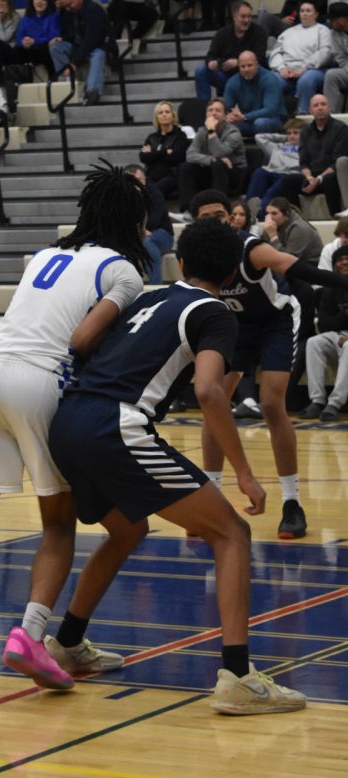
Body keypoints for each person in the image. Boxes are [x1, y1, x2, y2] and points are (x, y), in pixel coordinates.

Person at [48, 217, 306, 715]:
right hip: (116, 427)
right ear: (234, 268)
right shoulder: (214, 311)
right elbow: (209, 390)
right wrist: (245, 473)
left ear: (180, 263)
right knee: (231, 533)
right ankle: (237, 676)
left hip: (68, 422)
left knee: (127, 530)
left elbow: (84, 342)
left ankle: (68, 643)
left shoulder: (147, 298)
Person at [0, 164, 146, 692]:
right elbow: (84, 338)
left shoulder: (46, 254)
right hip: (41, 380)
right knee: (59, 525)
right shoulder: (124, 272)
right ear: (133, 222)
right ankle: (31, 635)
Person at [191, 189, 348, 538]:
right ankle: (213, 498)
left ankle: (292, 503)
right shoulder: (197, 257)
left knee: (271, 403)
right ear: (195, 224)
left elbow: (296, 268)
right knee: (212, 401)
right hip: (233, 327)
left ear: (231, 218)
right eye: (207, 218)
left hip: (275, 321)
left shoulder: (249, 248)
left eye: (221, 215)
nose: (217, 222)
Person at [277, 94, 348, 216]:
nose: (320, 108)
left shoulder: (341, 128)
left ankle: (335, 217)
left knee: (329, 179)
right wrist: (309, 177)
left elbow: (338, 161)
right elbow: (303, 162)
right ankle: (297, 218)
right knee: (288, 181)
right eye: (316, 105)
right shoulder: (305, 132)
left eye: (323, 104)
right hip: (312, 176)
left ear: (329, 107)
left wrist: (319, 179)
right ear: (310, 110)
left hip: (331, 175)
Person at [175, 98, 247, 215]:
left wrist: (211, 131)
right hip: (212, 170)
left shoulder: (233, 133)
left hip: (234, 174)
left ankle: (218, 209)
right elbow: (190, 155)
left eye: (218, 110)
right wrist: (211, 159)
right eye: (210, 110)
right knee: (186, 167)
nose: (213, 113)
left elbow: (220, 153)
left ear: (225, 115)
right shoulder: (202, 131)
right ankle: (187, 211)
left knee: (219, 164)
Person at [302, 246, 348, 420]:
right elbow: (324, 325)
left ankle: (335, 403)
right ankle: (317, 401)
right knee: (314, 342)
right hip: (337, 335)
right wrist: (344, 315)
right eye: (339, 260)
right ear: (334, 266)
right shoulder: (329, 289)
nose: (344, 262)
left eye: (347, 258)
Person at [49, 0, 116, 106]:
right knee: (56, 47)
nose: (68, 8)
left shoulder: (93, 10)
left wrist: (74, 63)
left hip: (99, 46)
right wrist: (62, 39)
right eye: (66, 7)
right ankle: (67, 83)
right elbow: (71, 34)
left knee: (98, 54)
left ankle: (92, 91)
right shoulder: (70, 12)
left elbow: (91, 40)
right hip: (78, 46)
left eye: (69, 5)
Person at [194, 0, 269, 101]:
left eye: (249, 16)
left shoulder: (259, 32)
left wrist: (238, 62)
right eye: (243, 16)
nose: (247, 20)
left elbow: (260, 58)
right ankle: (203, 108)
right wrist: (211, 63)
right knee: (201, 70)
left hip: (250, 77)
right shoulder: (222, 33)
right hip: (226, 76)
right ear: (234, 17)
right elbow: (210, 55)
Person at [269, 0, 332, 113]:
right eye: (302, 11)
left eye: (308, 11)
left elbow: (325, 52)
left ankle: (303, 113)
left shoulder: (323, 30)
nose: (304, 13)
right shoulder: (288, 32)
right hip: (286, 70)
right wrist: (281, 67)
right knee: (272, 80)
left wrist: (303, 68)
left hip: (312, 69)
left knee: (306, 80)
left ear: (316, 14)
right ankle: (275, 114)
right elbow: (276, 52)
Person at [124, 163, 173, 284]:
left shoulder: (154, 194)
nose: (138, 184)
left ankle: (155, 286)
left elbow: (153, 222)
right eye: (133, 181)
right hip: (137, 236)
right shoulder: (120, 197)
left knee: (147, 241)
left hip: (162, 235)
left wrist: (138, 229)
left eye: (141, 180)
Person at [245, 118, 305, 217]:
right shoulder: (278, 147)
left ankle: (259, 213)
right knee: (259, 172)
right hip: (272, 173)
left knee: (276, 186)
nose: (291, 136)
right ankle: (247, 210)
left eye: (295, 133)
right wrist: (284, 138)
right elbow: (259, 137)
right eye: (289, 133)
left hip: (289, 176)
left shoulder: (306, 149)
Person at [223, 50, 286, 135]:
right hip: (247, 121)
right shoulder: (233, 82)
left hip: (273, 119)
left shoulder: (269, 79)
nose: (246, 69)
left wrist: (245, 117)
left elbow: (270, 110)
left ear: (256, 64)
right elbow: (225, 107)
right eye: (243, 66)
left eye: (250, 65)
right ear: (238, 67)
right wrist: (228, 117)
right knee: (223, 125)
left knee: (260, 123)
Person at [139, 100, 189, 199]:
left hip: (171, 176)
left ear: (173, 116)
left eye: (167, 112)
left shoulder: (180, 135)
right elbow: (143, 157)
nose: (164, 115)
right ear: (156, 117)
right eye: (160, 113)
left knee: (151, 192)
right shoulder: (152, 137)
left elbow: (176, 157)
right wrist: (165, 152)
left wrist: (153, 154)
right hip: (151, 175)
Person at [260, 197, 322, 263]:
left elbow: (286, 261)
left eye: (274, 213)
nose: (269, 218)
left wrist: (272, 235)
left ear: (286, 215)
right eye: (267, 213)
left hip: (311, 266)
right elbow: (263, 250)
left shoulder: (299, 228)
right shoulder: (273, 225)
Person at [322, 2, 348, 113]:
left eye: (332, 20)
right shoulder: (334, 34)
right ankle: (329, 115)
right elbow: (340, 58)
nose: (330, 22)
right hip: (347, 69)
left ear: (342, 20)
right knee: (331, 75)